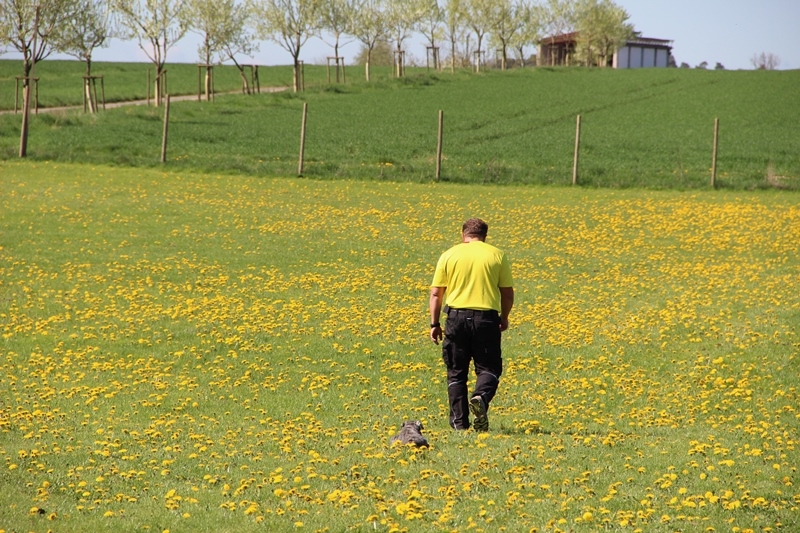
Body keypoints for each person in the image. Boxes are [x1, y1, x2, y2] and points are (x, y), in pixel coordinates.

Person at [429, 218, 514, 431]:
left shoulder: (449, 255)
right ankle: (481, 397)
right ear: (485, 236)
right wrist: (504, 317)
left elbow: (436, 293)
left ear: (463, 234)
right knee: (489, 368)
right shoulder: (496, 255)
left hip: (456, 318)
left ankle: (459, 424)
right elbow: (507, 293)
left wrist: (434, 323)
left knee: (456, 371)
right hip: (486, 319)